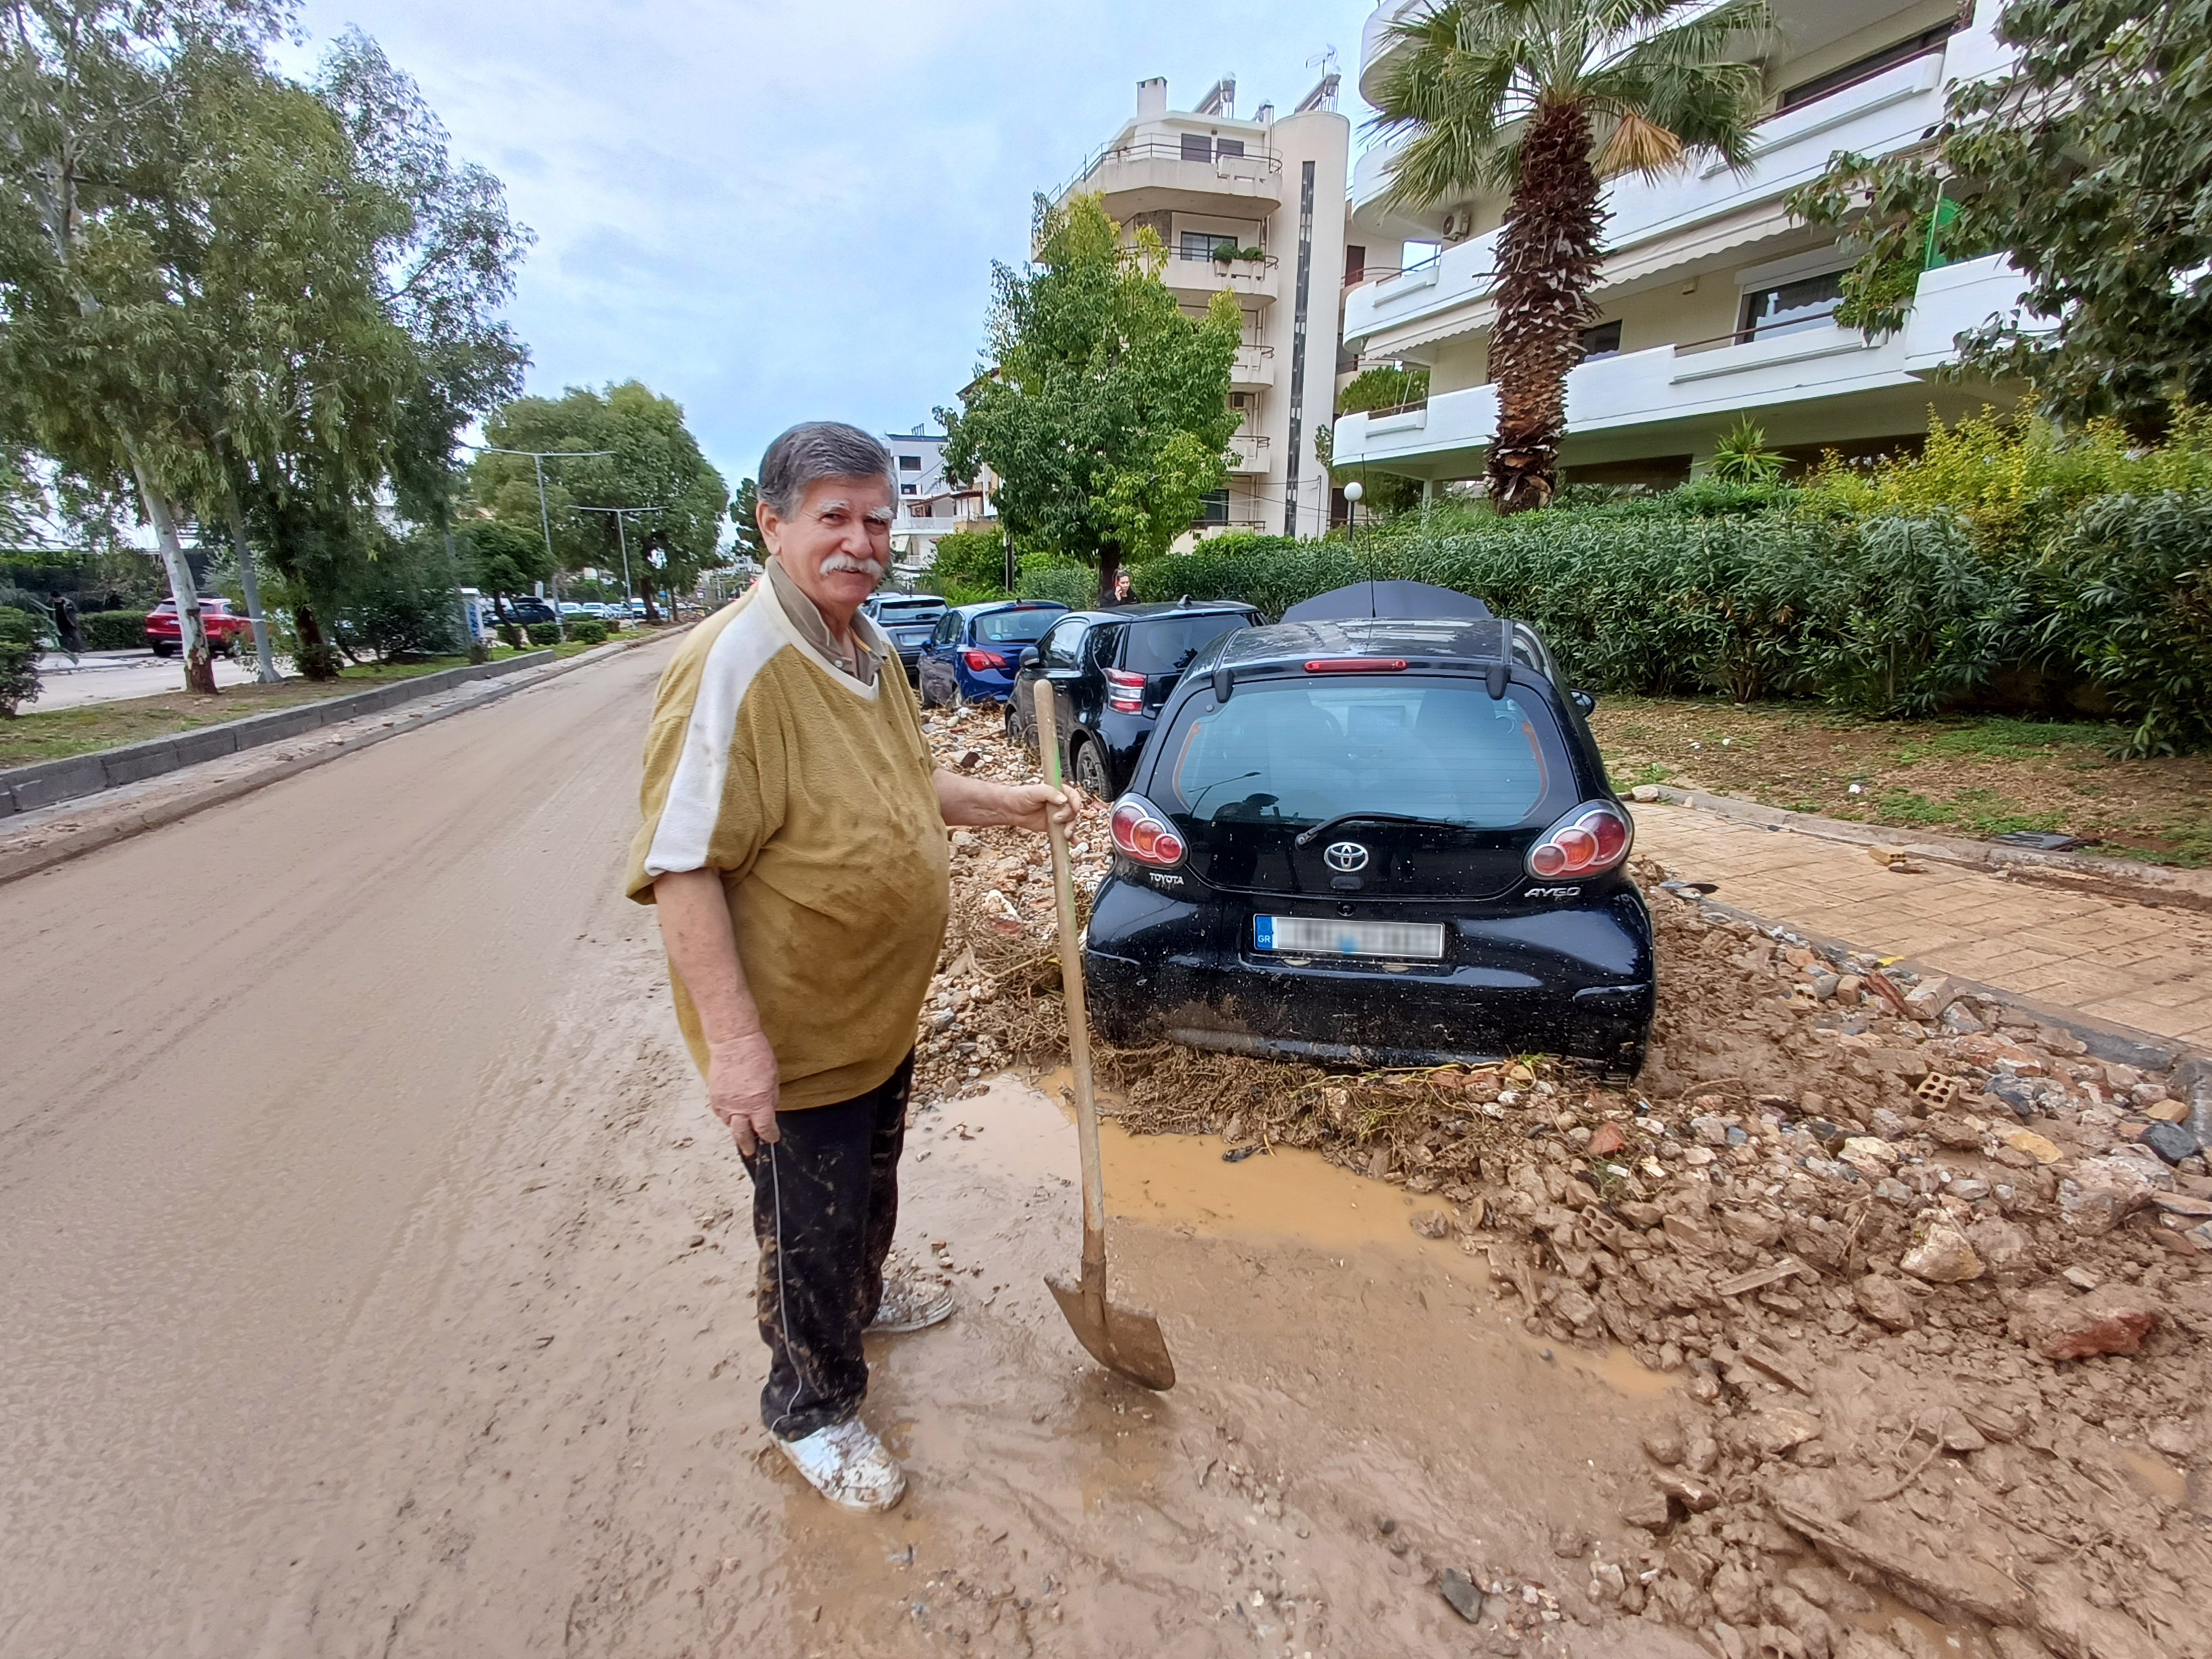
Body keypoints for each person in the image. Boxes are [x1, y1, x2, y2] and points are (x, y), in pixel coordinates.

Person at [626, 420, 1078, 1513]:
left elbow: (904, 791)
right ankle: (812, 1407)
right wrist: (737, 1049)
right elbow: (681, 868)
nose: (862, 539)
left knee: (865, 1194)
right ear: (772, 523)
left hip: (873, 1014)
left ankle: (860, 1299)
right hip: (795, 1037)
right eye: (834, 516)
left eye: (877, 518)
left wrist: (1007, 805)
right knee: (806, 1231)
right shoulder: (733, 666)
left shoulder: (864, 646)